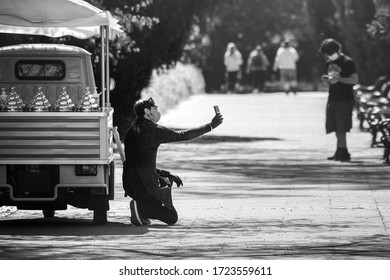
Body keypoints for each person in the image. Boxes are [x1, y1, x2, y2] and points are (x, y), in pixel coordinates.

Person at [122, 98, 224, 226]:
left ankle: (142, 209)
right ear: (147, 111)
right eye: (155, 108)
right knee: (171, 217)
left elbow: (140, 160)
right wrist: (210, 126)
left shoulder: (132, 130)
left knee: (161, 198)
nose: (158, 111)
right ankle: (141, 208)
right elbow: (182, 135)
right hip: (144, 184)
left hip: (130, 182)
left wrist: (164, 174)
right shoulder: (153, 130)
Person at [319, 38, 358, 162]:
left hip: (344, 98)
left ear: (336, 50)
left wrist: (339, 78)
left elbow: (354, 80)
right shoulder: (329, 63)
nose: (328, 56)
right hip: (333, 97)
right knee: (334, 125)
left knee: (342, 126)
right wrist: (327, 80)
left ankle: (343, 151)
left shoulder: (347, 62)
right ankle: (340, 149)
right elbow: (331, 81)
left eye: (329, 53)